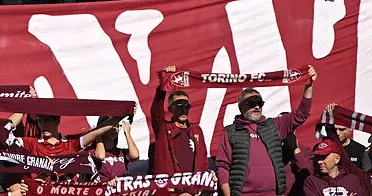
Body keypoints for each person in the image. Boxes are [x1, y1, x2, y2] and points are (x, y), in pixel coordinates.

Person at [211, 65, 316, 196]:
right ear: (241, 107)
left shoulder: (274, 125)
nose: (256, 106)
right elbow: (223, 166)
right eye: (251, 103)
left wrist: (309, 85)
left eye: (259, 103)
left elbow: (302, 114)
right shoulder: (231, 132)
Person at [151, 68, 208, 173]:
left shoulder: (196, 130)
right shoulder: (164, 128)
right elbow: (156, 111)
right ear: (170, 109)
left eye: (186, 106)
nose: (183, 110)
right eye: (179, 106)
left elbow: (203, 159)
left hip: (194, 182)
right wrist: (165, 81)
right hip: (172, 182)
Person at [302, 139, 369, 196]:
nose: (319, 161)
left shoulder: (352, 180)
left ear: (337, 159)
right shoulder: (312, 182)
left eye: (323, 157)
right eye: (318, 157)